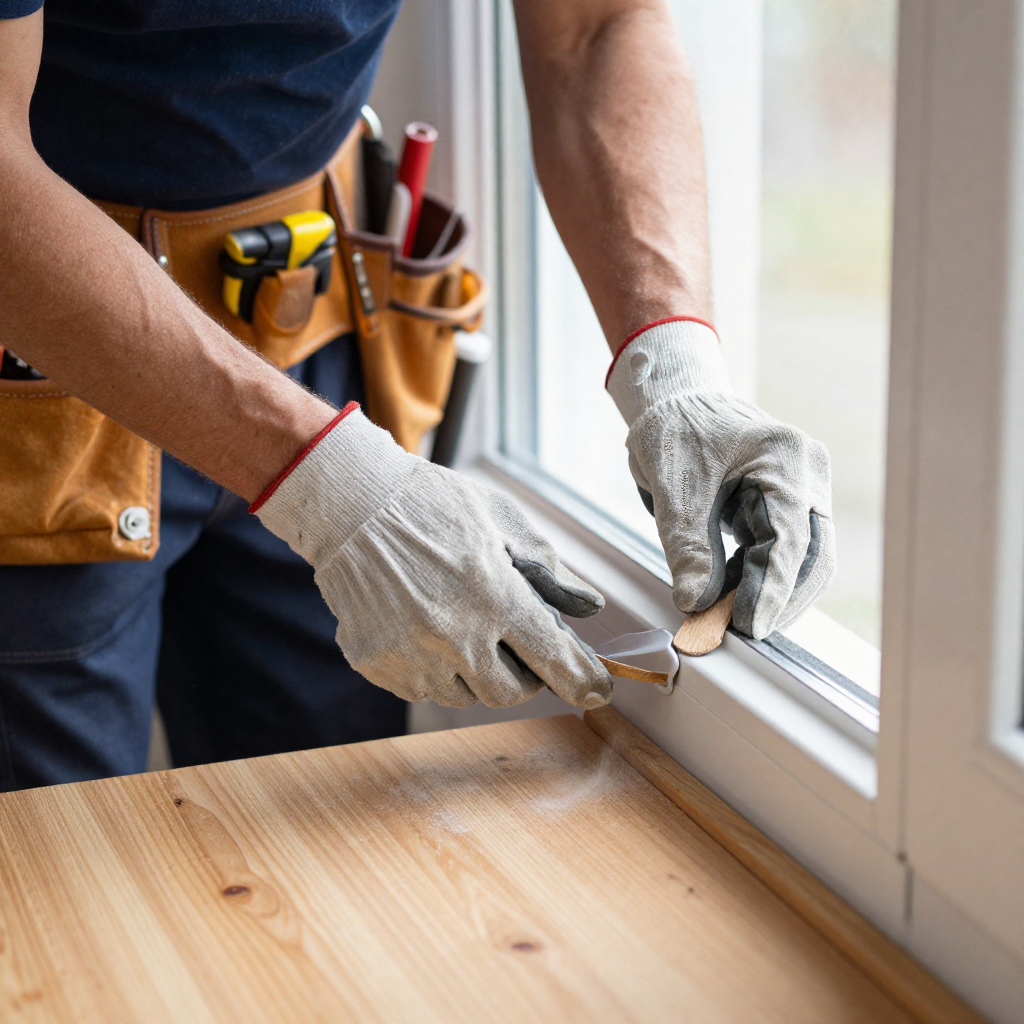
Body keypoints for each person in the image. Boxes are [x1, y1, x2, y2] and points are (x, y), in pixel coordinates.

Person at [0, 0, 834, 790]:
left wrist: (675, 367)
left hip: (320, 339)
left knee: (326, 856)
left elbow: (593, 25)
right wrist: (331, 487)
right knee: (47, 872)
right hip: (38, 363)